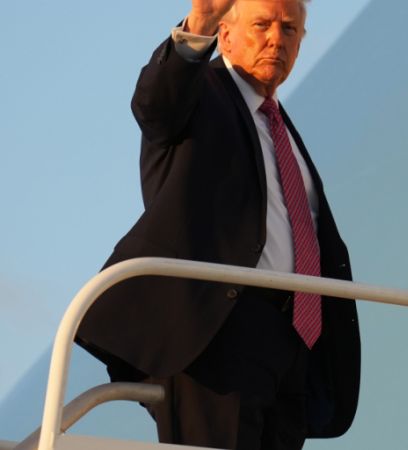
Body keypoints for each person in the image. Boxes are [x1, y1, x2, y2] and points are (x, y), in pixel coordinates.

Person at [75, 0, 360, 448]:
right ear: (225, 36)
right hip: (218, 334)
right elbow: (156, 102)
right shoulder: (200, 94)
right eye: (261, 25)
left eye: (290, 29)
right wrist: (199, 24)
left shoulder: (281, 128)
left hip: (290, 342)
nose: (275, 39)